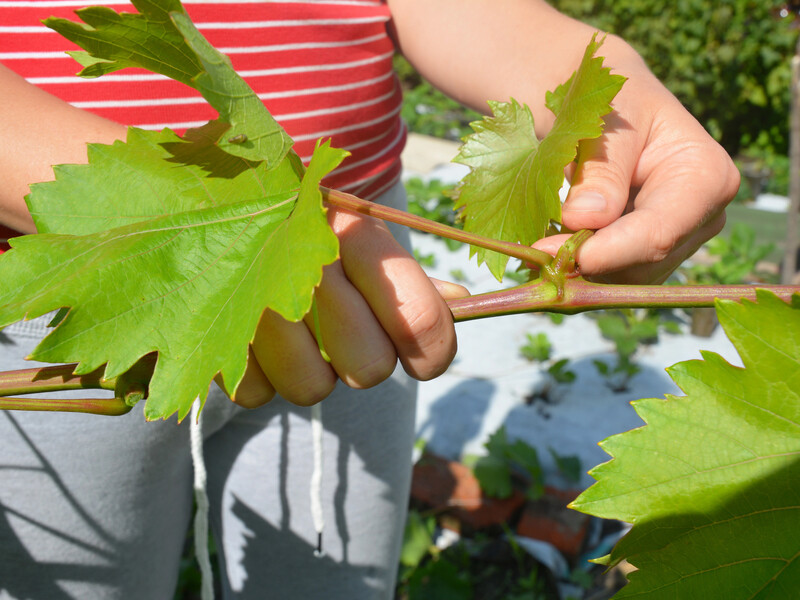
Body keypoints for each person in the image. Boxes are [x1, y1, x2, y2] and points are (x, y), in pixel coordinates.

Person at [0, 0, 738, 598]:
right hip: (81, 285)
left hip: (363, 271)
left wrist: (597, 82)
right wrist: (235, 238)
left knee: (333, 579)